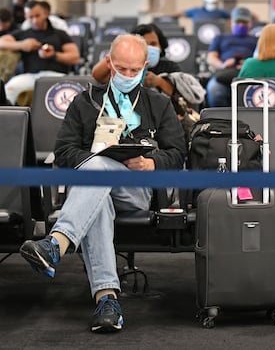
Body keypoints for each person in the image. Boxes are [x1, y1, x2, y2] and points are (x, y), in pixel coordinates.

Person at [19, 34, 187, 333]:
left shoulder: (159, 103)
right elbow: (64, 152)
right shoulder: (85, 102)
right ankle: (107, 302)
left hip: (137, 189)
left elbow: (178, 153)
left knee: (98, 171)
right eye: (122, 69)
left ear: (146, 66)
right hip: (94, 194)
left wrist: (151, 163)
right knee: (99, 193)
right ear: (109, 63)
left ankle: (56, 243)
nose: (128, 75)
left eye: (135, 70)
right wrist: (98, 158)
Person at [92, 23, 205, 138]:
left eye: (153, 44)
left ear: (161, 46)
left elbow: (187, 100)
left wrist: (159, 82)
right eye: (144, 44)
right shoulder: (125, 68)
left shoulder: (170, 67)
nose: (148, 48)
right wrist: (121, 50)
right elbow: (97, 75)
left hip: (165, 122)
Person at [0, 0, 80, 105]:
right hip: (30, 76)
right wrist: (22, 45)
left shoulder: (59, 34)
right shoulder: (23, 34)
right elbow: (2, 42)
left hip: (55, 76)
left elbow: (75, 57)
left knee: (69, 95)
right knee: (8, 90)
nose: (34, 20)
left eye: (37, 16)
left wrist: (54, 55)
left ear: (45, 13)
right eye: (30, 17)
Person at [205, 6, 258, 107]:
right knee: (214, 89)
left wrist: (249, 65)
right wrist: (223, 64)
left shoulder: (256, 40)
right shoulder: (220, 38)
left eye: (245, 22)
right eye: (238, 22)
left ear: (250, 23)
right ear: (231, 22)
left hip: (247, 73)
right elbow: (211, 58)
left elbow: (261, 58)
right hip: (224, 72)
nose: (241, 25)